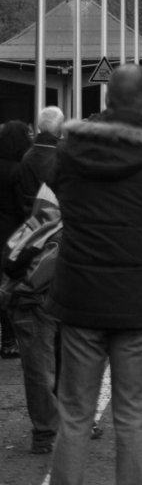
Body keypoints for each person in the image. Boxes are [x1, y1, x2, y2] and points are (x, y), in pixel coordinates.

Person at [48, 64, 142, 485]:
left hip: (81, 300)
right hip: (139, 302)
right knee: (131, 417)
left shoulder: (71, 152)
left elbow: (56, 189)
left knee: (74, 416)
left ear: (107, 99)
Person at [1, 183, 62, 453]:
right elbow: (43, 271)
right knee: (43, 370)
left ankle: (52, 427)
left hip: (29, 301)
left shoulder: (40, 222)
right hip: (36, 302)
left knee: (44, 368)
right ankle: (46, 432)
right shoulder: (63, 230)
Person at [0, 120, 32, 358]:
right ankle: (11, 339)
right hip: (12, 234)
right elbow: (24, 206)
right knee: (10, 286)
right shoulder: (19, 170)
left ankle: (8, 339)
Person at [18, 106, 64, 217]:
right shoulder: (63, 155)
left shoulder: (27, 156)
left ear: (39, 126)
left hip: (32, 219)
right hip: (57, 220)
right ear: (60, 128)